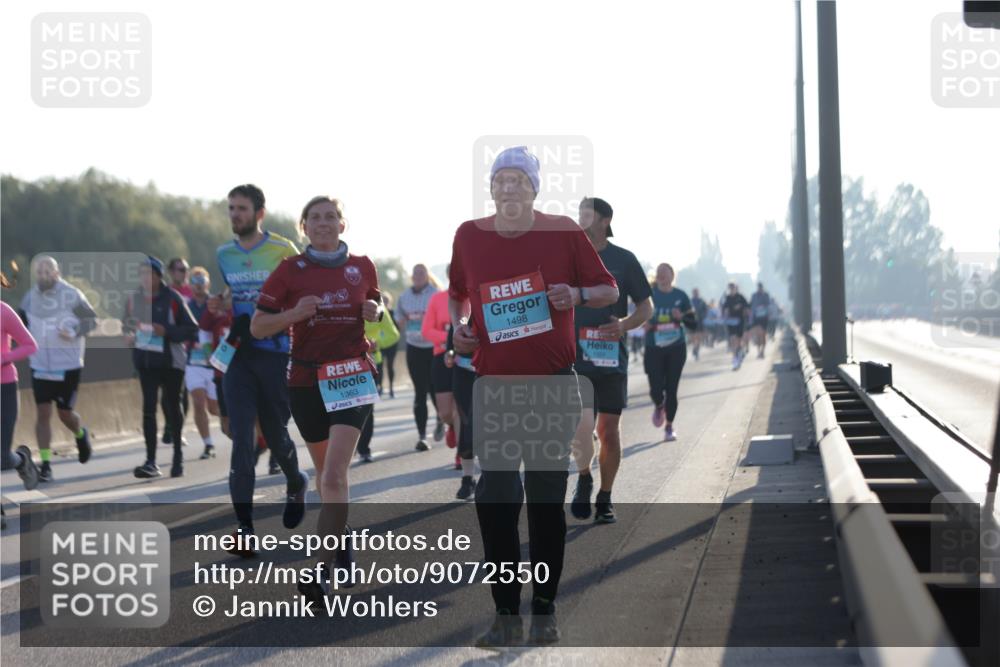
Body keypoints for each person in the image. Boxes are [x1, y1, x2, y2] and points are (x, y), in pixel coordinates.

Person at [449, 146, 618, 646]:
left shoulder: (564, 231)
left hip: (551, 385)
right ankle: (505, 614)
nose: (508, 188)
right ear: (491, 187)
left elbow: (606, 289)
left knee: (545, 503)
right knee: (496, 500)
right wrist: (460, 327)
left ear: (534, 188)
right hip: (494, 388)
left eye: (518, 180)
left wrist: (576, 294)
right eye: (500, 179)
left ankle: (543, 609)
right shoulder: (468, 234)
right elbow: (460, 294)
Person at [250, 195, 382, 603]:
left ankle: (320, 573)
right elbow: (257, 327)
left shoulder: (361, 266)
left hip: (351, 375)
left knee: (334, 475)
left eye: (331, 217)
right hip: (306, 380)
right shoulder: (290, 271)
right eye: (315, 218)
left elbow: (376, 301)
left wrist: (376, 309)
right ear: (303, 227)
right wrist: (292, 315)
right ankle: (341, 542)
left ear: (342, 225)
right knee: (327, 476)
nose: (323, 223)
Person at [213, 184, 308, 551]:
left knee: (275, 432)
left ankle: (295, 480)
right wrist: (219, 304)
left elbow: (301, 293)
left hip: (277, 354)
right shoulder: (224, 255)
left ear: (259, 214)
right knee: (242, 439)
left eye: (241, 208)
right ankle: (244, 529)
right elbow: (232, 297)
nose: (234, 214)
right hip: (239, 355)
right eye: (231, 208)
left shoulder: (283, 250)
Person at [569, 197, 652, 525]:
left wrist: (623, 325)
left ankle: (605, 497)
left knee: (609, 432)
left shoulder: (624, 260)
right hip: (574, 357)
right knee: (580, 426)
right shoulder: (568, 257)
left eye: (586, 214)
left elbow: (646, 307)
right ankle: (584, 476)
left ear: (604, 220)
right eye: (579, 213)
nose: (580, 219)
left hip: (609, 359)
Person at [18, 256, 96, 481]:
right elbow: (17, 326)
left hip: (68, 365)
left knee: (65, 415)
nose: (43, 275)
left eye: (47, 271)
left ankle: (80, 434)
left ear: (56, 273)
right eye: (39, 272)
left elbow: (91, 321)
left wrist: (72, 333)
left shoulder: (72, 295)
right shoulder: (29, 298)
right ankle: (45, 465)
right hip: (40, 364)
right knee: (43, 413)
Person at [122, 256, 198, 478]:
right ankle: (151, 462)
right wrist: (127, 335)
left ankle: (177, 457)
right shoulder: (133, 298)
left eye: (150, 274)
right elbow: (126, 323)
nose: (145, 278)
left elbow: (191, 329)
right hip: (146, 363)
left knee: (173, 407)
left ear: (158, 275)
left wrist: (166, 331)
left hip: (171, 363)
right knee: (148, 410)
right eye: (142, 274)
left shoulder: (172, 298)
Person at [644, 263, 696, 442]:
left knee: (672, 388)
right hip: (653, 347)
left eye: (666, 273)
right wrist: (644, 323)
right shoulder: (648, 294)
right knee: (655, 388)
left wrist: (681, 317)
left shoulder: (680, 296)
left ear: (673, 275)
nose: (662, 276)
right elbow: (637, 316)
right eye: (659, 273)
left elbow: (694, 323)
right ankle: (659, 404)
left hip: (676, 347)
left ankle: (669, 426)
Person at [1, 271, 41, 492]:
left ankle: (21, 461)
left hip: (4, 387)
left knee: (1, 457)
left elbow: (30, 344)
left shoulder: (4, 312)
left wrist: (4, 358)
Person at [396, 264, 440, 450]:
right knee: (419, 392)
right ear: (412, 276)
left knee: (435, 388)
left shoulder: (435, 294)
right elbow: (398, 317)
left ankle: (441, 417)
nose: (418, 275)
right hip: (414, 347)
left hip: (434, 347)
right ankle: (422, 436)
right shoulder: (404, 296)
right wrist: (405, 319)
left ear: (427, 275)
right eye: (415, 273)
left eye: (421, 272)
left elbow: (445, 315)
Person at [184, 267, 221, 460]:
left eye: (201, 282)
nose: (198, 286)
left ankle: (245, 429)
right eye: (194, 282)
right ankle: (208, 445)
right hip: (194, 362)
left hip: (215, 363)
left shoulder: (216, 303)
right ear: (190, 285)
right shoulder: (185, 305)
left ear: (207, 283)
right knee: (198, 403)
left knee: (214, 409)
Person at [357, 297, 400, 463]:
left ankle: (363, 449)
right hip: (341, 363)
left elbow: (393, 335)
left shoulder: (377, 305)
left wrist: (376, 343)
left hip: (371, 362)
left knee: (366, 408)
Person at [422, 277, 459, 454]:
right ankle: (451, 426)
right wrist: (451, 339)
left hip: (466, 358)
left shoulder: (473, 295)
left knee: (464, 408)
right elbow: (426, 330)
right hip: (441, 357)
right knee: (445, 413)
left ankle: (462, 453)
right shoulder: (437, 299)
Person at [162, 257, 192, 448]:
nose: (183, 273)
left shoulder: (193, 291)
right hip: (171, 348)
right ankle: (169, 426)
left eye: (185, 269)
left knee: (184, 393)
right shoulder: (166, 293)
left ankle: (177, 430)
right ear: (171, 272)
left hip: (192, 348)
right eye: (179, 270)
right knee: (167, 394)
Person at [722, 282, 750, 370]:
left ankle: (740, 352)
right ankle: (735, 361)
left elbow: (747, 306)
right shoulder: (726, 298)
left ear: (735, 288)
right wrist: (725, 312)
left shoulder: (740, 297)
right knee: (732, 340)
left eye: (733, 288)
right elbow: (723, 308)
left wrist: (741, 307)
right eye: (730, 288)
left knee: (738, 341)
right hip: (730, 322)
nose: (731, 289)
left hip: (740, 321)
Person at [376, 291, 399, 398]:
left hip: (391, 344)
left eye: (386, 300)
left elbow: (396, 328)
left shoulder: (392, 312)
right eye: (382, 300)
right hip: (379, 343)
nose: (384, 302)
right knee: (379, 366)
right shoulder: (377, 312)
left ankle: (391, 387)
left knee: (390, 365)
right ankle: (380, 387)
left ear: (389, 301)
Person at [749, 283, 771, 358]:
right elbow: (751, 306)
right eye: (758, 287)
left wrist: (763, 307)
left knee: (763, 335)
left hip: (764, 318)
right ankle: (759, 352)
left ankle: (763, 351)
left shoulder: (766, 295)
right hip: (756, 318)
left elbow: (768, 305)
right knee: (758, 335)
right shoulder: (754, 296)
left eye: (761, 287)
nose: (760, 289)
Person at [689, 288, 708, 361]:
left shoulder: (702, 301)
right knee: (693, 337)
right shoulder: (690, 301)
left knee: (700, 337)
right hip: (692, 321)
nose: (696, 293)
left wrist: (703, 316)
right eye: (694, 292)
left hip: (700, 321)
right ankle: (694, 347)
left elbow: (706, 310)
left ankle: (696, 350)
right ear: (693, 293)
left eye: (697, 292)